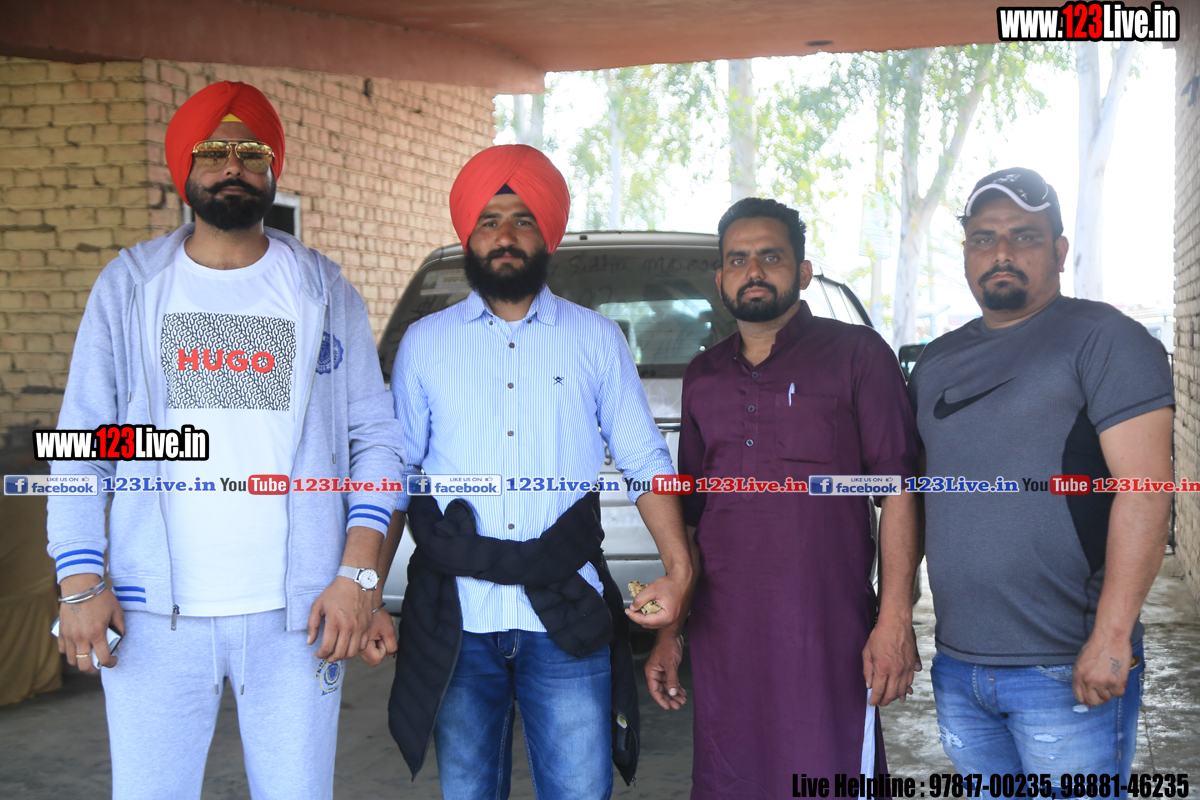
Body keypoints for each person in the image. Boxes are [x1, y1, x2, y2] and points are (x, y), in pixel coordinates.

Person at [46, 81, 403, 800]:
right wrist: (79, 579)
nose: (232, 165)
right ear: (185, 166)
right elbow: (81, 440)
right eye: (213, 150)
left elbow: (375, 440)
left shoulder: (322, 289)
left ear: (273, 168)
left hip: (299, 612)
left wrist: (358, 577)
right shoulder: (129, 287)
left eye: (250, 151)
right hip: (152, 614)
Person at [370, 144, 694, 800]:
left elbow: (644, 461)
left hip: (565, 614)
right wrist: (369, 591)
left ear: (547, 235)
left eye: (523, 220)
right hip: (458, 616)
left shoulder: (595, 339)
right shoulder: (426, 344)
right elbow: (396, 472)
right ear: (469, 237)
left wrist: (679, 569)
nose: (506, 235)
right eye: (489, 221)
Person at [645, 197, 922, 796]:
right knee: (732, 778)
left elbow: (899, 491)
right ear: (719, 279)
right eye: (737, 259)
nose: (752, 271)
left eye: (770, 257)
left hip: (827, 633)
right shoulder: (703, 375)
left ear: (803, 271)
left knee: (829, 775)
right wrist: (671, 632)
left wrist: (895, 618)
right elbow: (692, 519)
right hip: (725, 638)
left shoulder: (858, 355)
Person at [908, 168, 1173, 784]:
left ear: (1059, 250)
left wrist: (1112, 637)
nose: (1001, 252)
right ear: (967, 253)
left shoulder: (1106, 339)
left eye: (1023, 235)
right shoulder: (937, 362)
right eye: (984, 237)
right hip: (960, 667)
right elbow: (917, 501)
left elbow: (1146, 492)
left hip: (1068, 662)